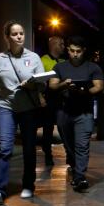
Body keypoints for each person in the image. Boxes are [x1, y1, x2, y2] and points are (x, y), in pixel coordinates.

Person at [0, 20, 46, 203]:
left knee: (28, 149)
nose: (19, 36)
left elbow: (43, 84)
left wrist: (33, 83)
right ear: (7, 37)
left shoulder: (34, 57)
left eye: (21, 33)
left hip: (28, 109)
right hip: (6, 107)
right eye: (14, 34)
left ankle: (28, 185)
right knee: (5, 148)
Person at [49, 36, 104, 192]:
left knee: (82, 145)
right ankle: (74, 167)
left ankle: (80, 177)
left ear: (83, 51)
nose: (75, 54)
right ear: (68, 50)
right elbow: (52, 86)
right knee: (69, 145)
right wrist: (64, 84)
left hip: (84, 112)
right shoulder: (59, 68)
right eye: (72, 51)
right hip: (64, 112)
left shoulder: (92, 68)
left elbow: (99, 86)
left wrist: (84, 91)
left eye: (78, 51)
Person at [40, 36, 65, 166]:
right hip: (48, 98)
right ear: (54, 45)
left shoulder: (63, 61)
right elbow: (38, 82)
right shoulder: (43, 61)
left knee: (63, 126)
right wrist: (41, 97)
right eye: (61, 44)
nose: (63, 47)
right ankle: (48, 154)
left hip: (61, 98)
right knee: (48, 128)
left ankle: (69, 153)